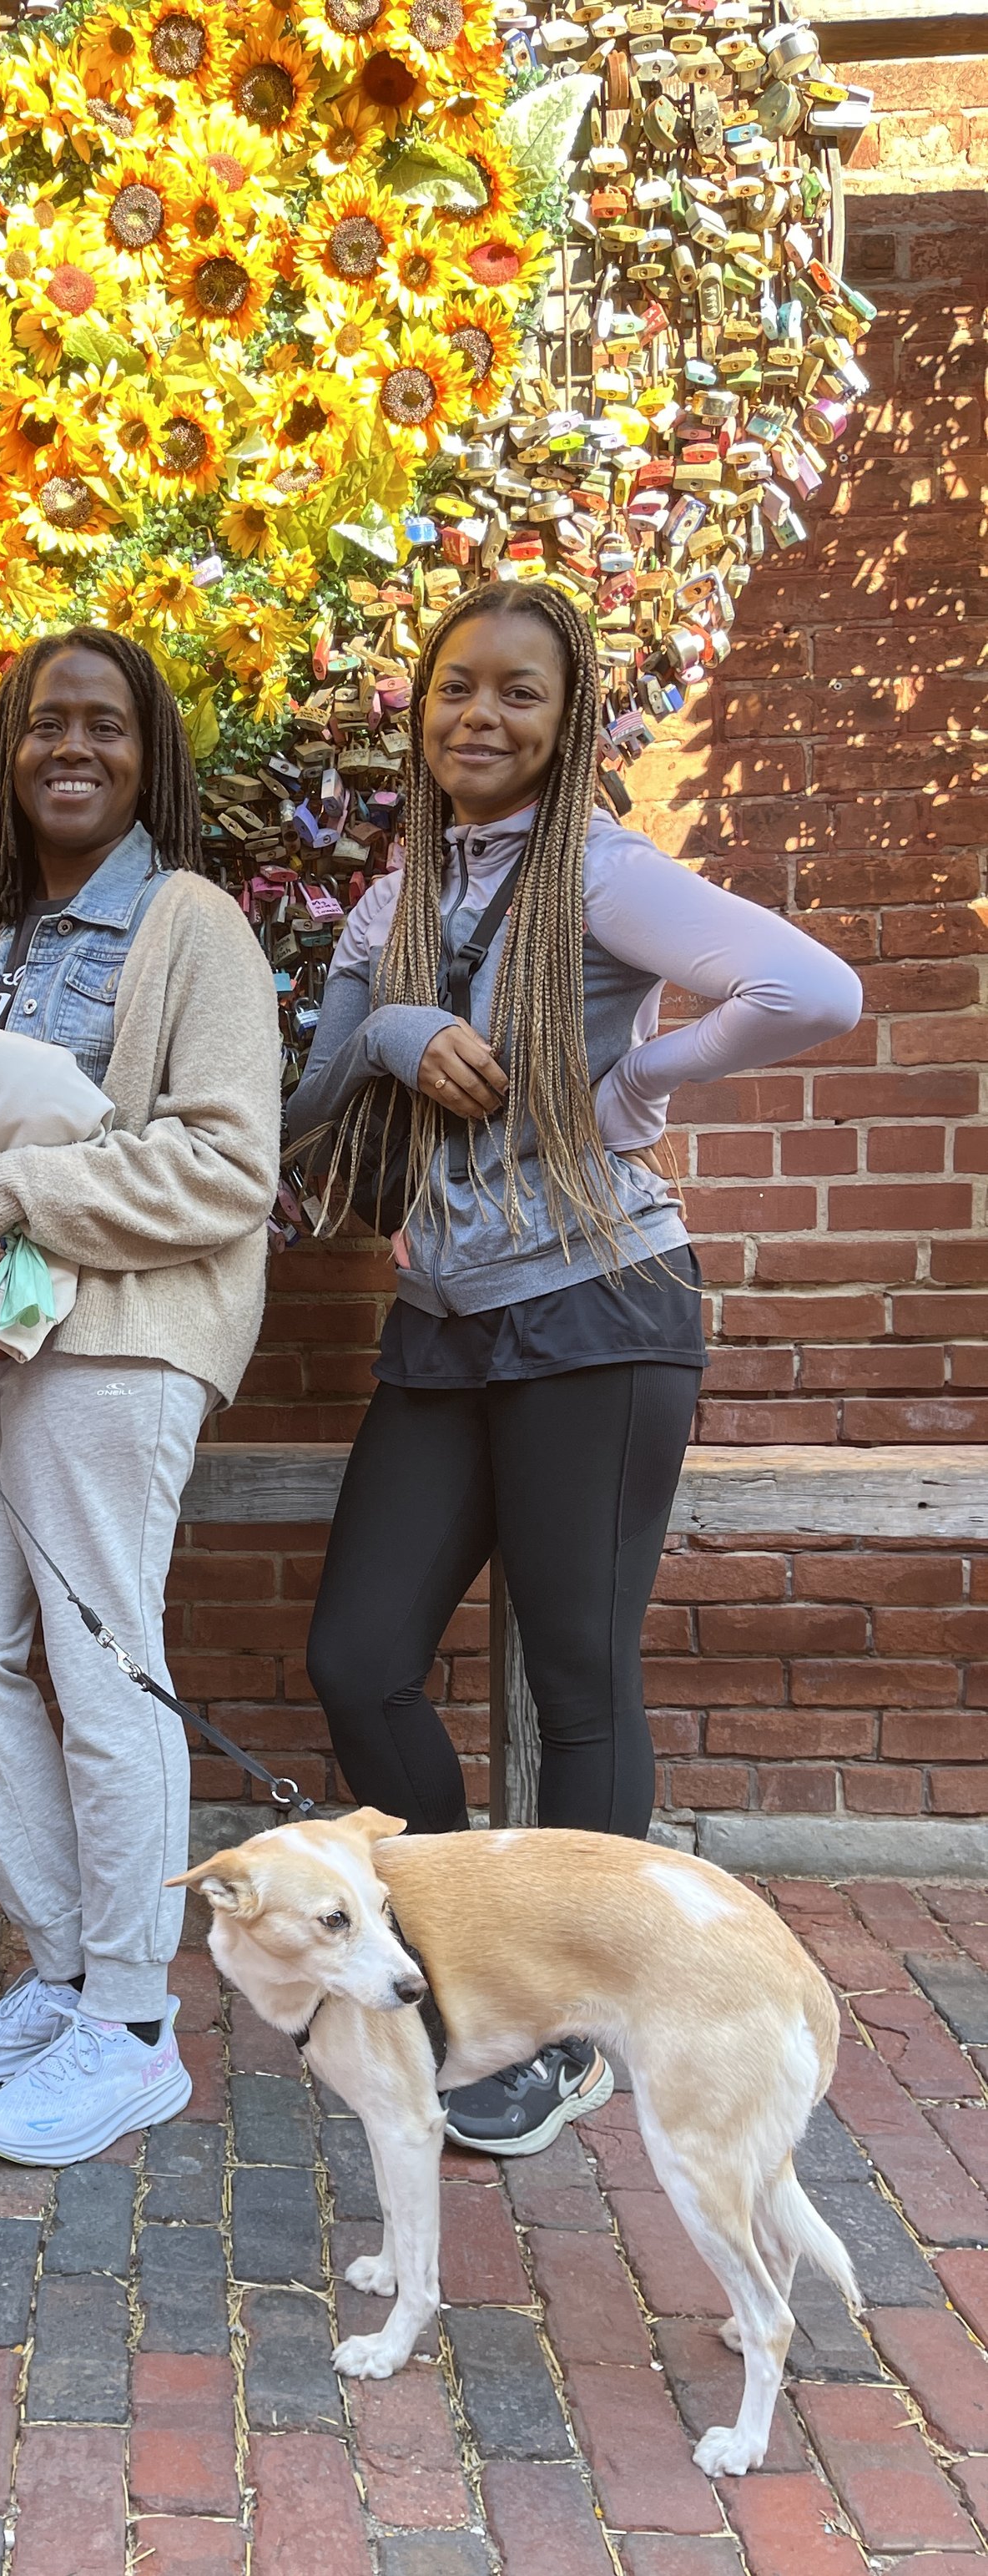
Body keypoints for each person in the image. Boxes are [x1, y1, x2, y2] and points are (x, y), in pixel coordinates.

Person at [285, 578, 861, 2157]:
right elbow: (320, 1096)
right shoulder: (394, 898)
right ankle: (475, 1942)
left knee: (580, 1666)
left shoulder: (598, 873)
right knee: (359, 1652)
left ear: (571, 718)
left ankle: (581, 2020)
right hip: (449, 1320)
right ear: (421, 708)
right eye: (456, 686)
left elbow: (814, 990)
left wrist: (628, 1086)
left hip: (602, 1307)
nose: (482, 714)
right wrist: (401, 1032)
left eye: (520, 693)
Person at [0, 629, 280, 2167]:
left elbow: (230, 1167)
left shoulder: (193, 926)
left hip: (119, 1343)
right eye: (45, 725)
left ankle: (135, 2027)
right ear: (6, 753)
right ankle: (66, 1968)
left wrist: (13, 1190)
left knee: (107, 1673)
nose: (71, 748)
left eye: (104, 725)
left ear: (148, 754)